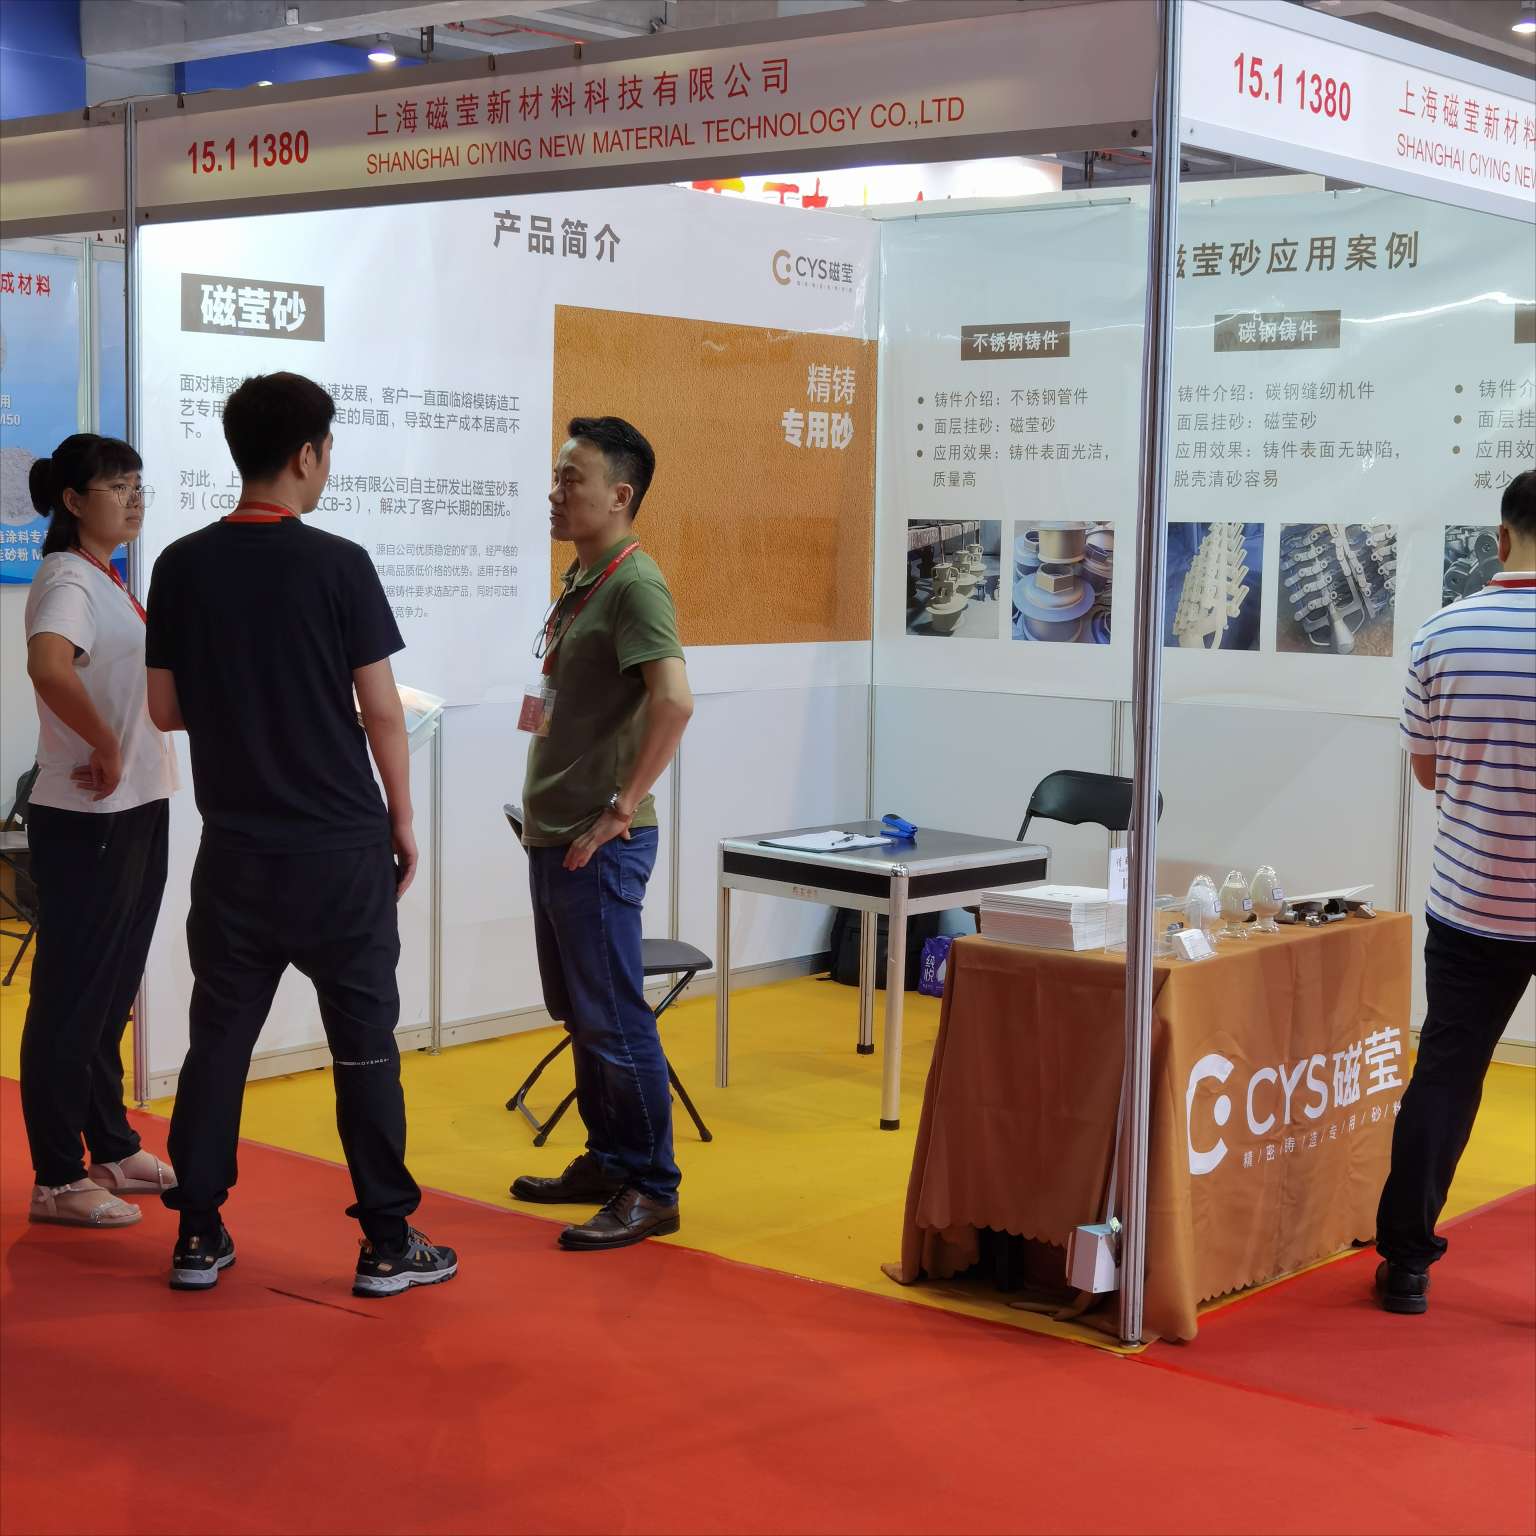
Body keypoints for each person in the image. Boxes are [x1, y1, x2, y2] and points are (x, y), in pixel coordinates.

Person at [144, 371, 455, 1297]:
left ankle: (198, 1233)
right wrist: (402, 819)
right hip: (340, 853)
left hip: (236, 855)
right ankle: (387, 1242)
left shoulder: (181, 564)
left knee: (218, 1044)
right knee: (364, 1047)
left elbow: (165, 710)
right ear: (309, 454)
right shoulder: (339, 564)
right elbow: (383, 711)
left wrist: (245, 709)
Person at [509, 416, 694, 1251]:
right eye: (556, 477)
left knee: (614, 1016)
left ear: (619, 495)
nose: (555, 493)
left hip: (598, 839)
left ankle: (652, 1186)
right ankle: (609, 1158)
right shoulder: (582, 578)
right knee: (581, 1011)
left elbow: (674, 701)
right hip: (554, 830)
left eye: (570, 479)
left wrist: (623, 807)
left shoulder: (635, 584)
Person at [1376, 468, 1536, 1315]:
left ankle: (1406, 1263)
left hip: (1475, 897)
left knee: (1444, 1075)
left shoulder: (1442, 631)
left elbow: (1429, 771)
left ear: (1502, 538)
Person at [20, 435, 179, 1228]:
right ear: (74, 500)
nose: (134, 498)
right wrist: (105, 745)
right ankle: (56, 1177)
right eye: (118, 486)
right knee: (71, 997)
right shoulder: (67, 577)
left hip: (136, 806)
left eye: (138, 484)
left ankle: (110, 1145)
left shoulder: (108, 577)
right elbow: (49, 666)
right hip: (88, 817)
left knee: (111, 992)